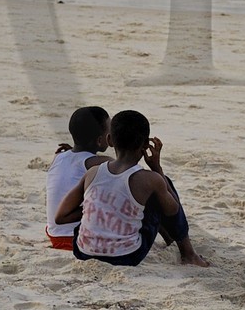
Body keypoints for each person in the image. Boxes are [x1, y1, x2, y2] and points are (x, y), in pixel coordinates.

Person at [54, 109, 210, 268]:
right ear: (145, 145)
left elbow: (60, 217)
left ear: (110, 140)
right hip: (126, 256)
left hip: (83, 252)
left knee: (153, 189)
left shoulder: (92, 173)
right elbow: (172, 210)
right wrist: (157, 169)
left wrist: (102, 210)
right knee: (163, 185)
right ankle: (189, 254)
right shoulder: (149, 180)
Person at [45, 106, 111, 249]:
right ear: (100, 140)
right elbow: (124, 165)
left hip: (55, 235)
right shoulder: (97, 162)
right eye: (109, 131)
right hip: (78, 238)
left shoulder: (59, 157)